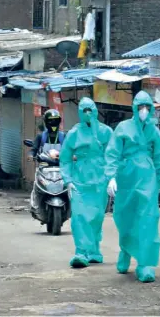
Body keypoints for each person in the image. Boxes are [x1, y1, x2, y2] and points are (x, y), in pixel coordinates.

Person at [105, 90, 160, 283]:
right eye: (140, 107)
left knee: (148, 218)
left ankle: (145, 262)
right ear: (134, 108)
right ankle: (125, 251)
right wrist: (111, 177)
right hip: (126, 177)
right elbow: (112, 153)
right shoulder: (123, 128)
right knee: (126, 217)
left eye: (146, 107)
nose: (143, 110)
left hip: (147, 178)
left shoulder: (153, 131)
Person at [59, 97, 113, 268]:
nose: (88, 114)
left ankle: (94, 250)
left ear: (96, 111)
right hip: (80, 181)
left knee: (96, 217)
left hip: (100, 181)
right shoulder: (74, 133)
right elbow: (65, 158)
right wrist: (67, 180)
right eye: (85, 111)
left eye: (91, 110)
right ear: (80, 113)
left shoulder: (106, 132)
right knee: (80, 217)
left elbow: (113, 155)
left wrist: (112, 177)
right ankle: (81, 252)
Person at [28, 109, 65, 218]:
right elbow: (33, 149)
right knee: (36, 185)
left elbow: (69, 150)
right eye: (50, 121)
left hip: (61, 167)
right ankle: (35, 204)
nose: (53, 123)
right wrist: (31, 155)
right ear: (46, 121)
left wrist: (73, 156)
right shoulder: (41, 137)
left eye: (55, 120)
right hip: (44, 168)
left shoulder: (64, 137)